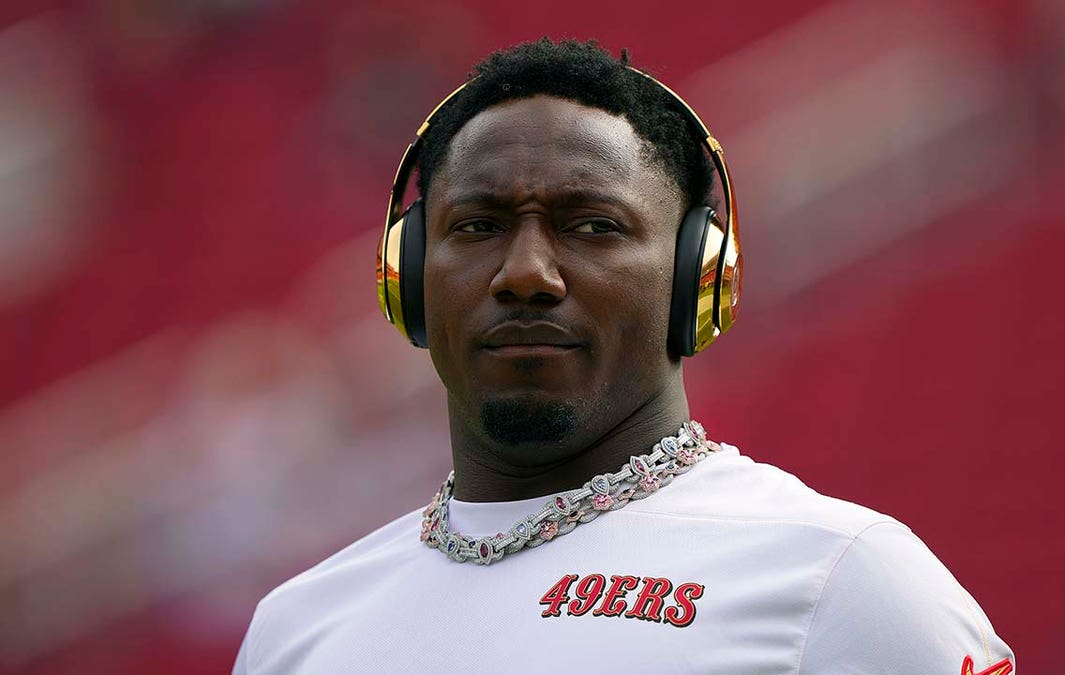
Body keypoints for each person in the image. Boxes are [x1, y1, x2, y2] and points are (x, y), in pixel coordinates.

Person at [233, 38, 1015, 674]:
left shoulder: (842, 583)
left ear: (696, 278)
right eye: (477, 225)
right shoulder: (297, 628)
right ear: (406, 277)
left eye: (592, 225)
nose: (526, 273)